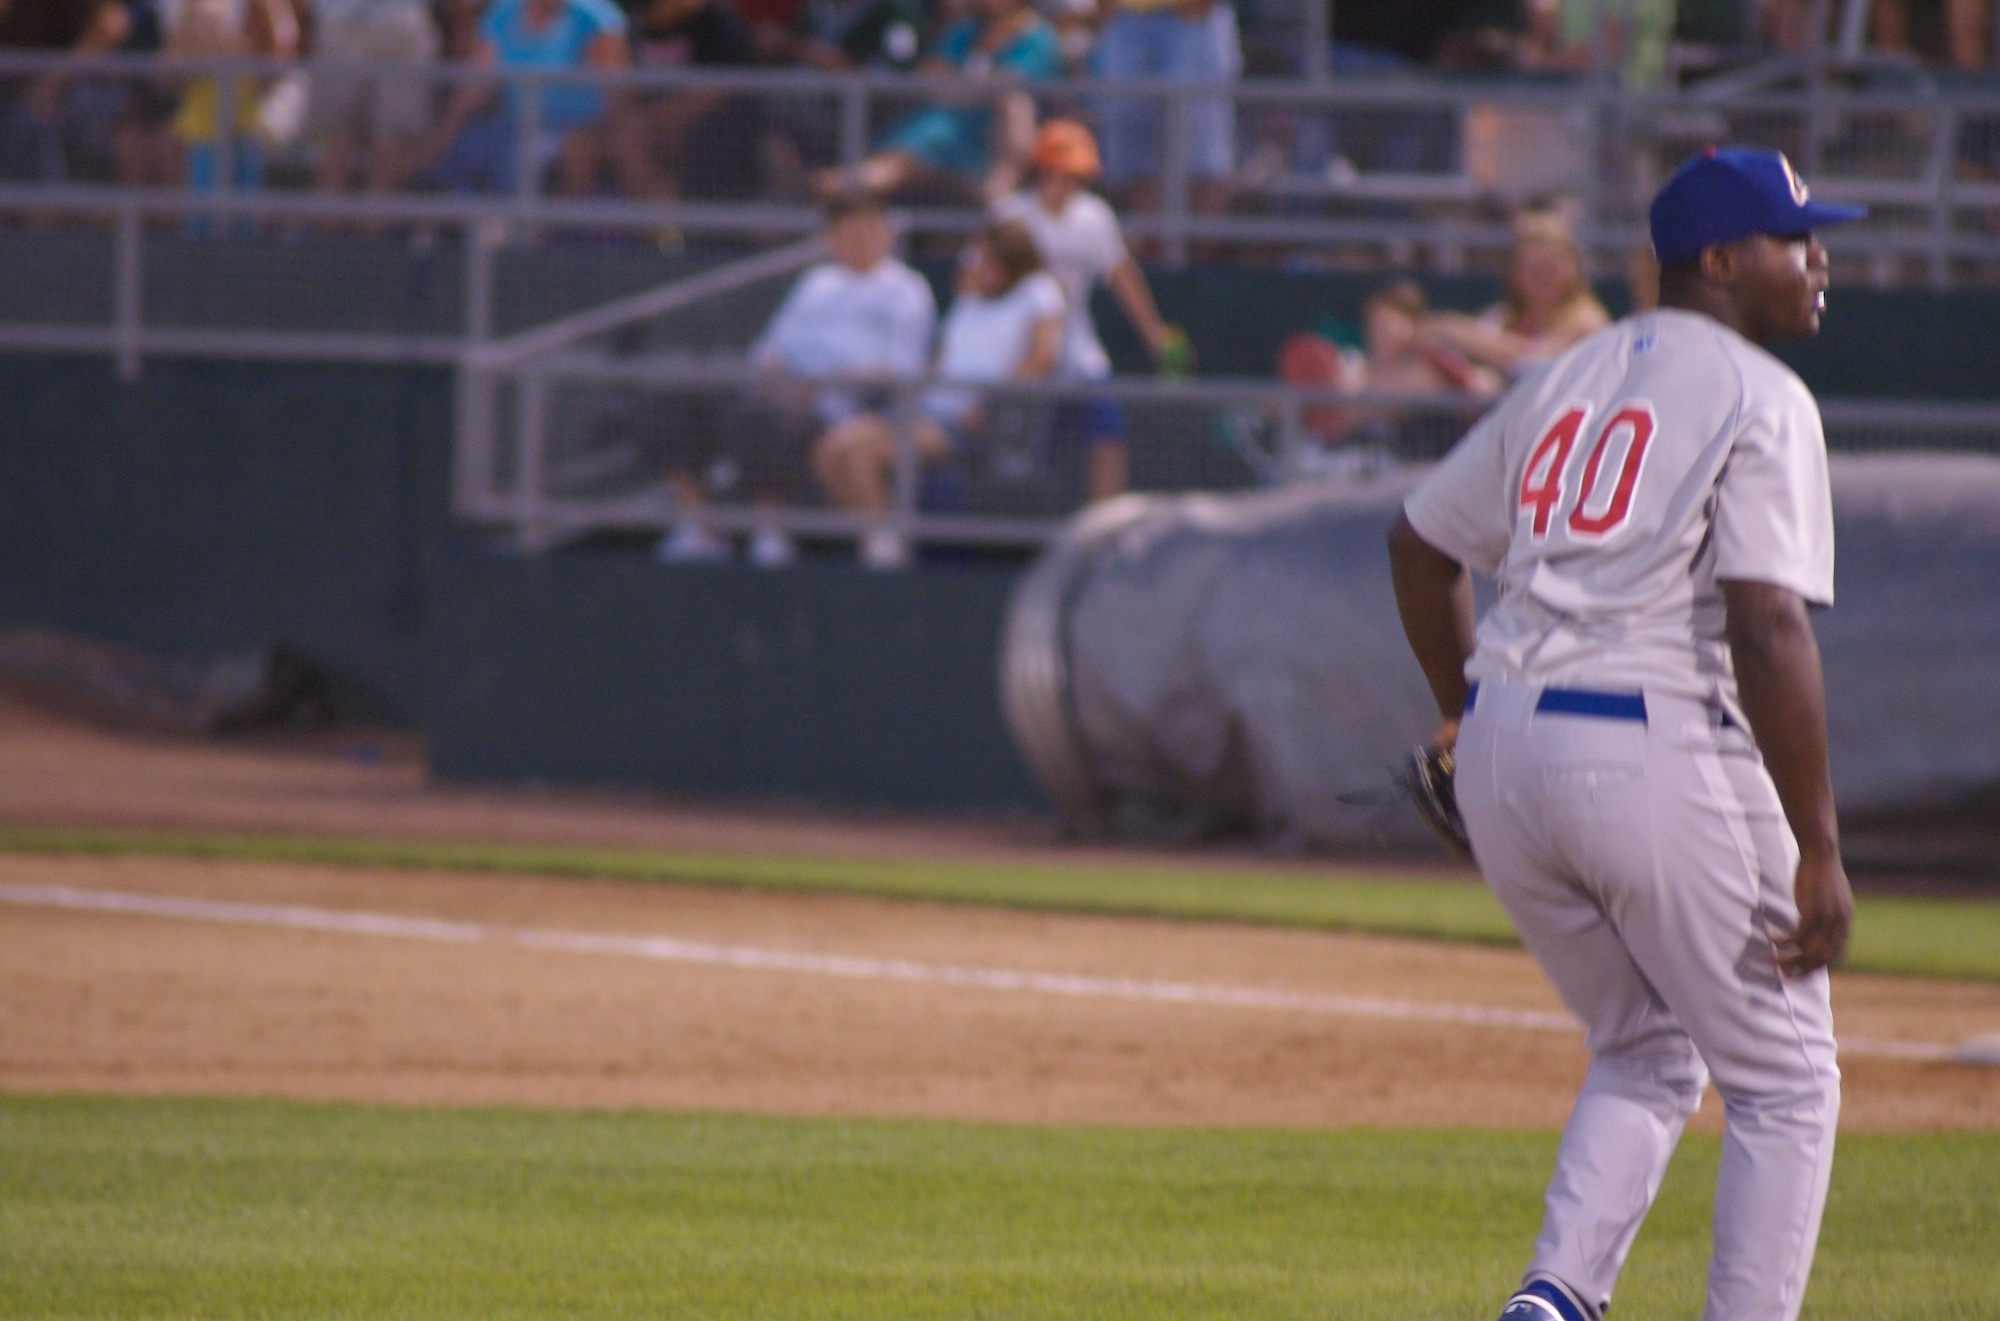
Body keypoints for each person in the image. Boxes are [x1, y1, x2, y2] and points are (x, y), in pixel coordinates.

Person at [1386, 146, 1864, 1321]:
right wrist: (1816, 842)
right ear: (1717, 258)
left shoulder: (1565, 373)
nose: (1818, 262)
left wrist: (1458, 714)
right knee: (1785, 1082)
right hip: (1646, 740)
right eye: (1793, 239)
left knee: (1647, 1047)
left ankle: (1550, 1303)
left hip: (1505, 751)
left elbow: (1416, 544)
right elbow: (1763, 624)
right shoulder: (1761, 395)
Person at [719, 193, 935, 569]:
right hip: (787, 397)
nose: (859, 243)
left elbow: (901, 369)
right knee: (713, 400)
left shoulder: (906, 290)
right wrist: (779, 378)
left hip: (852, 407)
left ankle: (774, 530)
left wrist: (822, 383)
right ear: (831, 239)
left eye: (867, 233)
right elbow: (769, 350)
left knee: (775, 417)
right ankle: (717, 528)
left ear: (886, 234)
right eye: (847, 234)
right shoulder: (816, 284)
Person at [815, 219, 1063, 533]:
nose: (977, 266)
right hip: (924, 409)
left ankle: (886, 551)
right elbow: (941, 359)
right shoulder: (969, 301)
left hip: (966, 424)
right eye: (976, 258)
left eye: (988, 261)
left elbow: (1043, 358)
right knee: (831, 448)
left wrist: (989, 402)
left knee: (860, 454)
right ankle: (870, 539)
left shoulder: (1037, 291)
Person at [992, 119, 1185, 501]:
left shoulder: (1094, 217)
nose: (1070, 185)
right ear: (1041, 171)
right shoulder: (1010, 216)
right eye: (1061, 174)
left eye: (1078, 177)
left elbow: (1122, 276)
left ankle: (1105, 528)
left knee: (1107, 429)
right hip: (1020, 351)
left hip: (1076, 346)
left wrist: (1154, 333)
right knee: (1016, 453)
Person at [810, 0, 1058, 203]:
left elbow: (1009, 85)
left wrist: (960, 86)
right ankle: (851, 184)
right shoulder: (966, 30)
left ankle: (1000, 194)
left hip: (991, 135)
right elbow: (930, 75)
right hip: (944, 124)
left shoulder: (1038, 36)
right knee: (910, 151)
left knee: (1015, 106)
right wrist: (974, 89)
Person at [420, 0, 629, 198]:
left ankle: (536, 232)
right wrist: (441, 138)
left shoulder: (595, 18)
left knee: (520, 163)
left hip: (571, 128)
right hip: (512, 122)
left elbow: (614, 98)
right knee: (456, 158)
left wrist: (605, 138)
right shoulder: (503, 13)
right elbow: (474, 88)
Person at [1091, 0, 1239, 219]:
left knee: (1204, 167)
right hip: (1129, 17)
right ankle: (1153, 251)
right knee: (1138, 168)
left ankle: (1198, 252)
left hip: (1195, 18)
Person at [1423, 208, 1611, 379]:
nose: (1543, 277)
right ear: (1514, 271)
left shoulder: (1588, 322)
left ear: (1573, 268)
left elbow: (1532, 361)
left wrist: (1452, 328)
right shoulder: (1499, 316)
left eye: (1552, 267)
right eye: (1533, 268)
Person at [614, 0, 761, 205]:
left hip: (715, 128)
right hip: (651, 127)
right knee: (627, 140)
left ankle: (684, 225)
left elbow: (728, 83)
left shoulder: (714, 20)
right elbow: (623, 87)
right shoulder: (637, 23)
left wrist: (669, 114)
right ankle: (667, 229)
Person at [307, 0, 442, 198]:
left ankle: (373, 226)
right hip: (341, 19)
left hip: (402, 22)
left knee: (391, 138)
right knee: (337, 136)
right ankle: (328, 224)